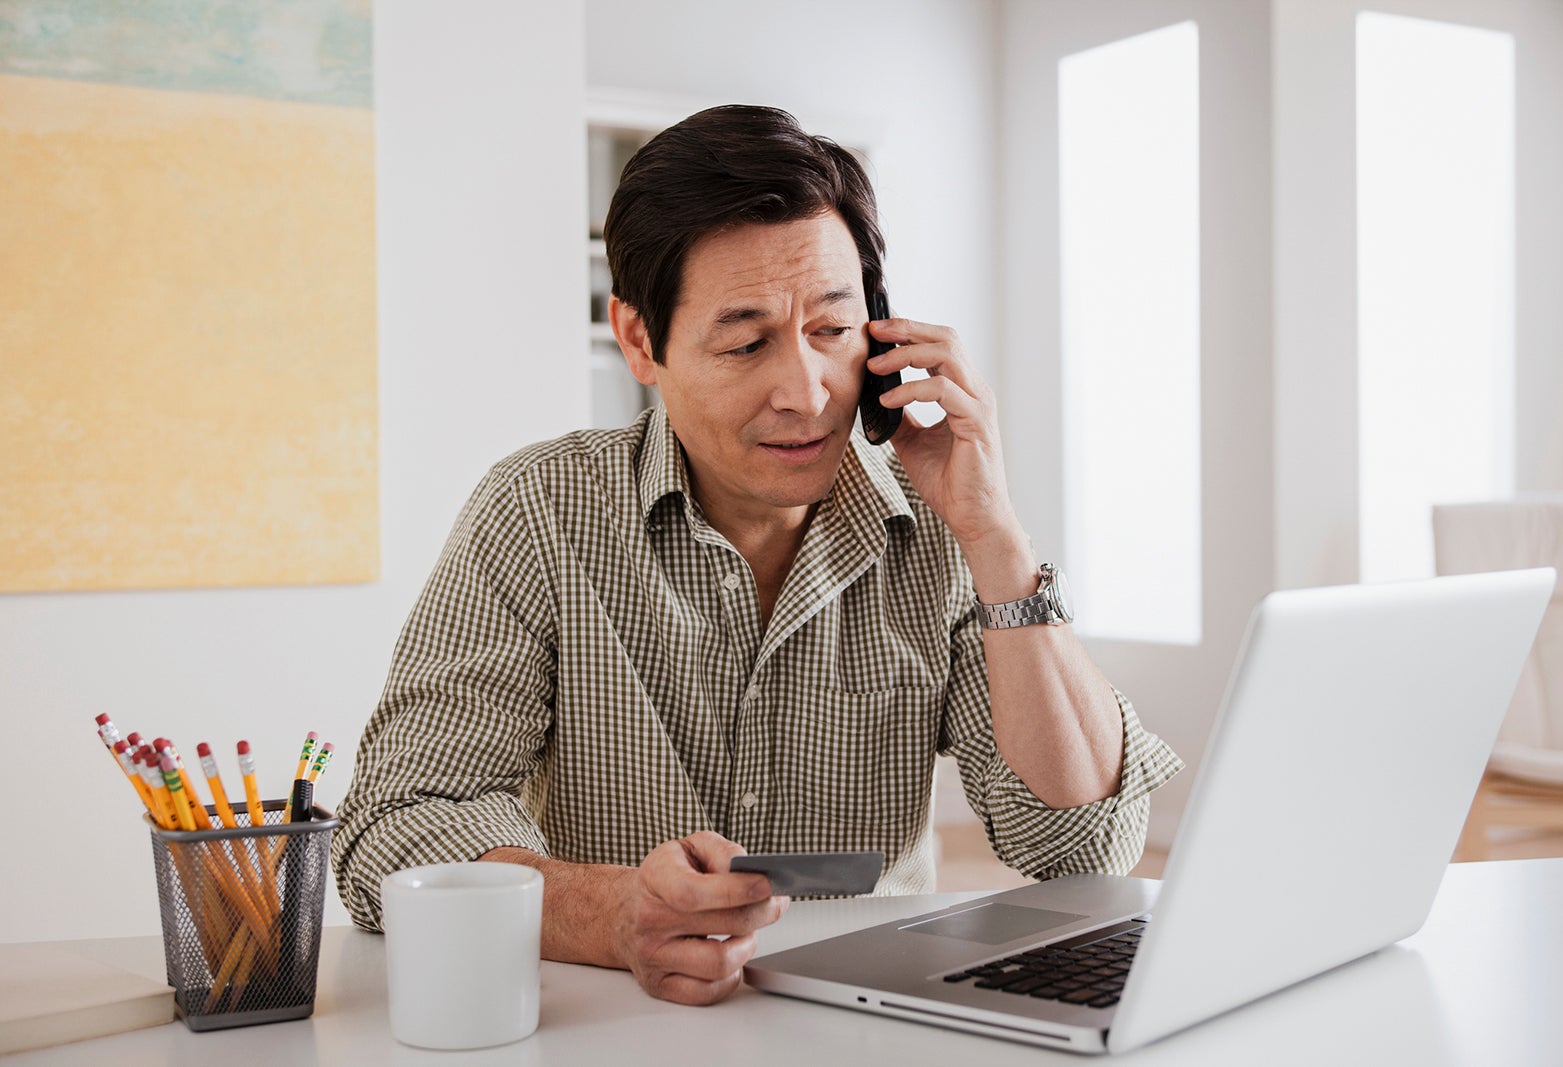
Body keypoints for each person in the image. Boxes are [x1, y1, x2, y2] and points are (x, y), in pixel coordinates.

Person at [332, 104, 1182, 1007]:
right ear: (638, 340)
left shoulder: (942, 530)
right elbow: (396, 827)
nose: (806, 391)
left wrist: (998, 538)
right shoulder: (541, 512)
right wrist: (614, 911)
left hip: (870, 1014)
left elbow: (1082, 850)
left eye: (831, 330)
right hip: (622, 1019)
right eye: (745, 342)